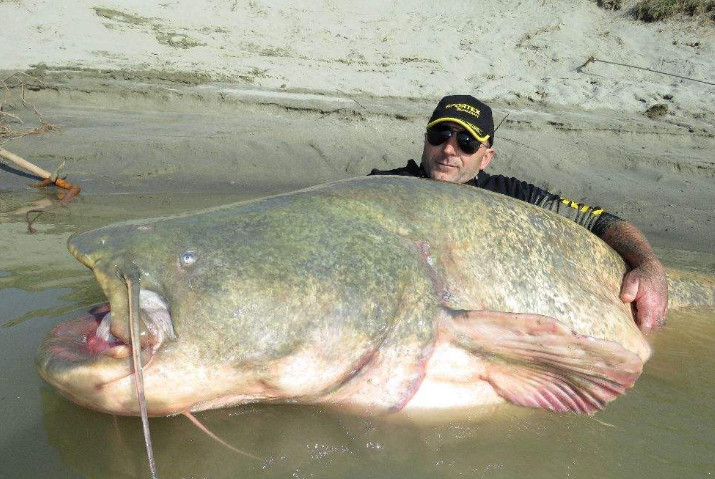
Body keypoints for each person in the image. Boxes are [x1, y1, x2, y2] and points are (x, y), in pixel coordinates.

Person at [369, 95, 668, 333]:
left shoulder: (512, 195)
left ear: (485, 158)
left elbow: (598, 220)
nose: (449, 149)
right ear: (425, 140)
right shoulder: (383, 187)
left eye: (466, 142)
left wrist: (648, 265)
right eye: (440, 134)